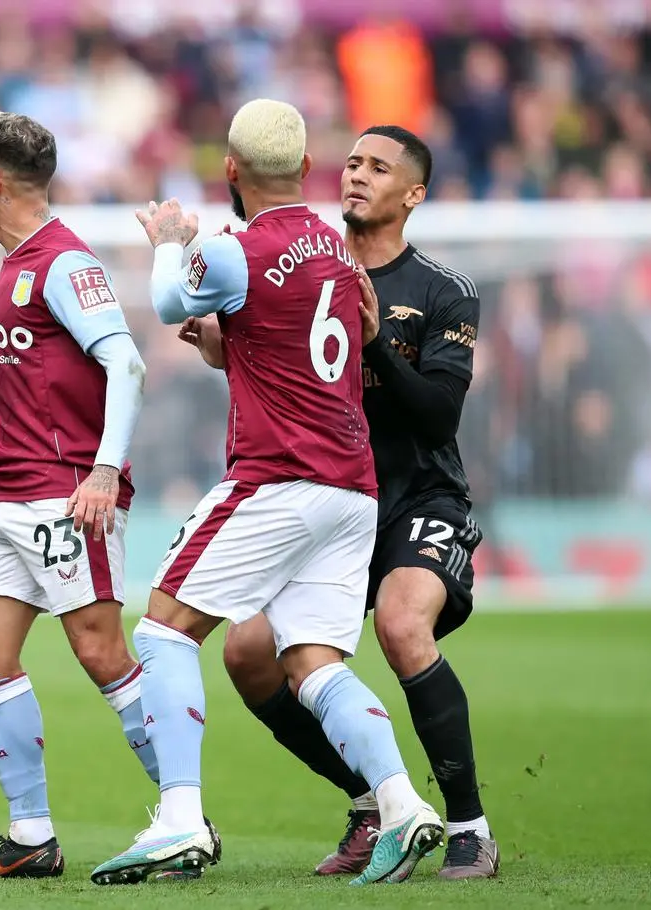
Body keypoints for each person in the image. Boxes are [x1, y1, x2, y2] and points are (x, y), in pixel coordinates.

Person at [92, 99, 443, 887]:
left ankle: (179, 820)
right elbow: (307, 344)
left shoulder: (231, 250)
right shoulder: (335, 248)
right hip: (353, 489)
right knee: (314, 662)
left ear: (231, 169)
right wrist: (229, 341)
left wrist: (170, 243)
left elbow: (169, 303)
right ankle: (402, 803)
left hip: (279, 474)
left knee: (164, 630)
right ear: (309, 168)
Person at [216, 125, 496, 879]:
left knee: (404, 625)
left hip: (415, 499)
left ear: (413, 194)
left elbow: (439, 416)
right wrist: (216, 340)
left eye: (379, 168)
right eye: (351, 163)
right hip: (324, 496)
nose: (357, 176)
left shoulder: (443, 291)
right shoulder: (307, 263)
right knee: (245, 653)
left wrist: (374, 342)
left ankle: (470, 826)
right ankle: (376, 803)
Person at [0, 110, 188, 880]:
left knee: (99, 651)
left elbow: (125, 364)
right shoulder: (15, 259)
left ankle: (183, 816)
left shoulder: (62, 262)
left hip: (65, 495)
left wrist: (102, 470)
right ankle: (31, 835)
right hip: (10, 494)